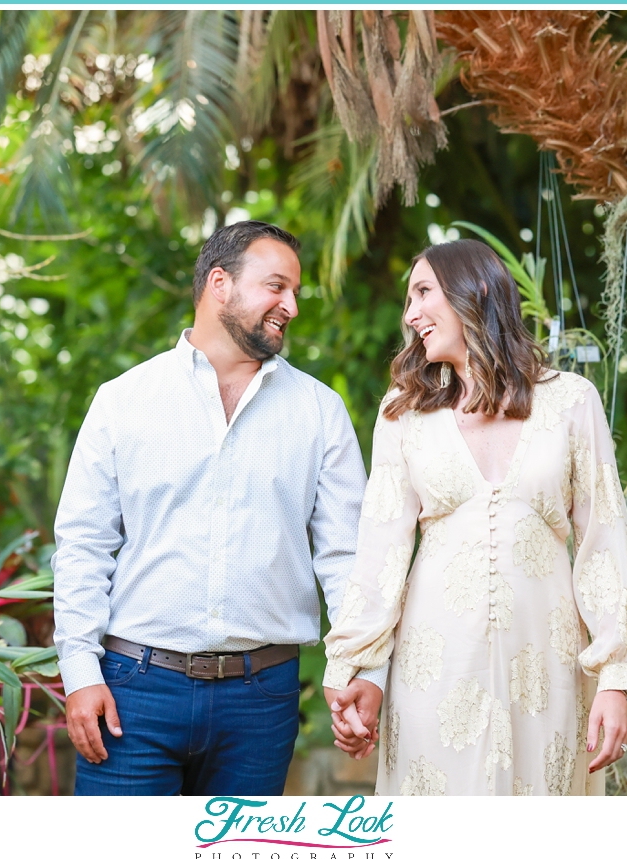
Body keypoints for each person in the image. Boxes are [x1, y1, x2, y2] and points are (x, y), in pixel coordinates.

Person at [51, 220, 386, 796]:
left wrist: (360, 669)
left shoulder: (319, 412)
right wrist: (80, 672)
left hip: (262, 699)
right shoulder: (123, 400)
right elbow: (83, 545)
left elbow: (347, 557)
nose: (291, 307)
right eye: (276, 287)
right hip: (133, 691)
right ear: (219, 283)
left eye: (296, 293)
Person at [322, 238, 627, 796]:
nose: (410, 314)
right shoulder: (403, 413)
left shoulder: (571, 401)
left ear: (478, 289)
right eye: (408, 299)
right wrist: (353, 666)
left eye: (423, 292)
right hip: (434, 666)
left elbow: (604, 543)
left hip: (546, 664)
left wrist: (613, 678)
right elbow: (380, 552)